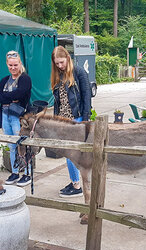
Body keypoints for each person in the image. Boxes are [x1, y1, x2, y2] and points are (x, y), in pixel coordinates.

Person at [51, 45, 92, 198]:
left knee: (71, 154)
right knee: (68, 154)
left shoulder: (79, 72)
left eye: (62, 62)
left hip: (77, 119)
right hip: (63, 121)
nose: (60, 66)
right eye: (57, 64)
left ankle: (76, 186)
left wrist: (85, 121)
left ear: (68, 57)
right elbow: (58, 102)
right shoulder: (58, 76)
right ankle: (75, 181)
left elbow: (87, 96)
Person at [0, 50, 32, 186]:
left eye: (15, 65)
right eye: (10, 65)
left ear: (20, 63)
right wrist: (12, 98)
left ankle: (27, 173)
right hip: (5, 116)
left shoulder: (25, 79)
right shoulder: (4, 80)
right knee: (11, 144)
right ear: (7, 64)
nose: (13, 68)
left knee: (22, 144)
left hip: (18, 117)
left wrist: (6, 97)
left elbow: (21, 94)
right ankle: (15, 171)